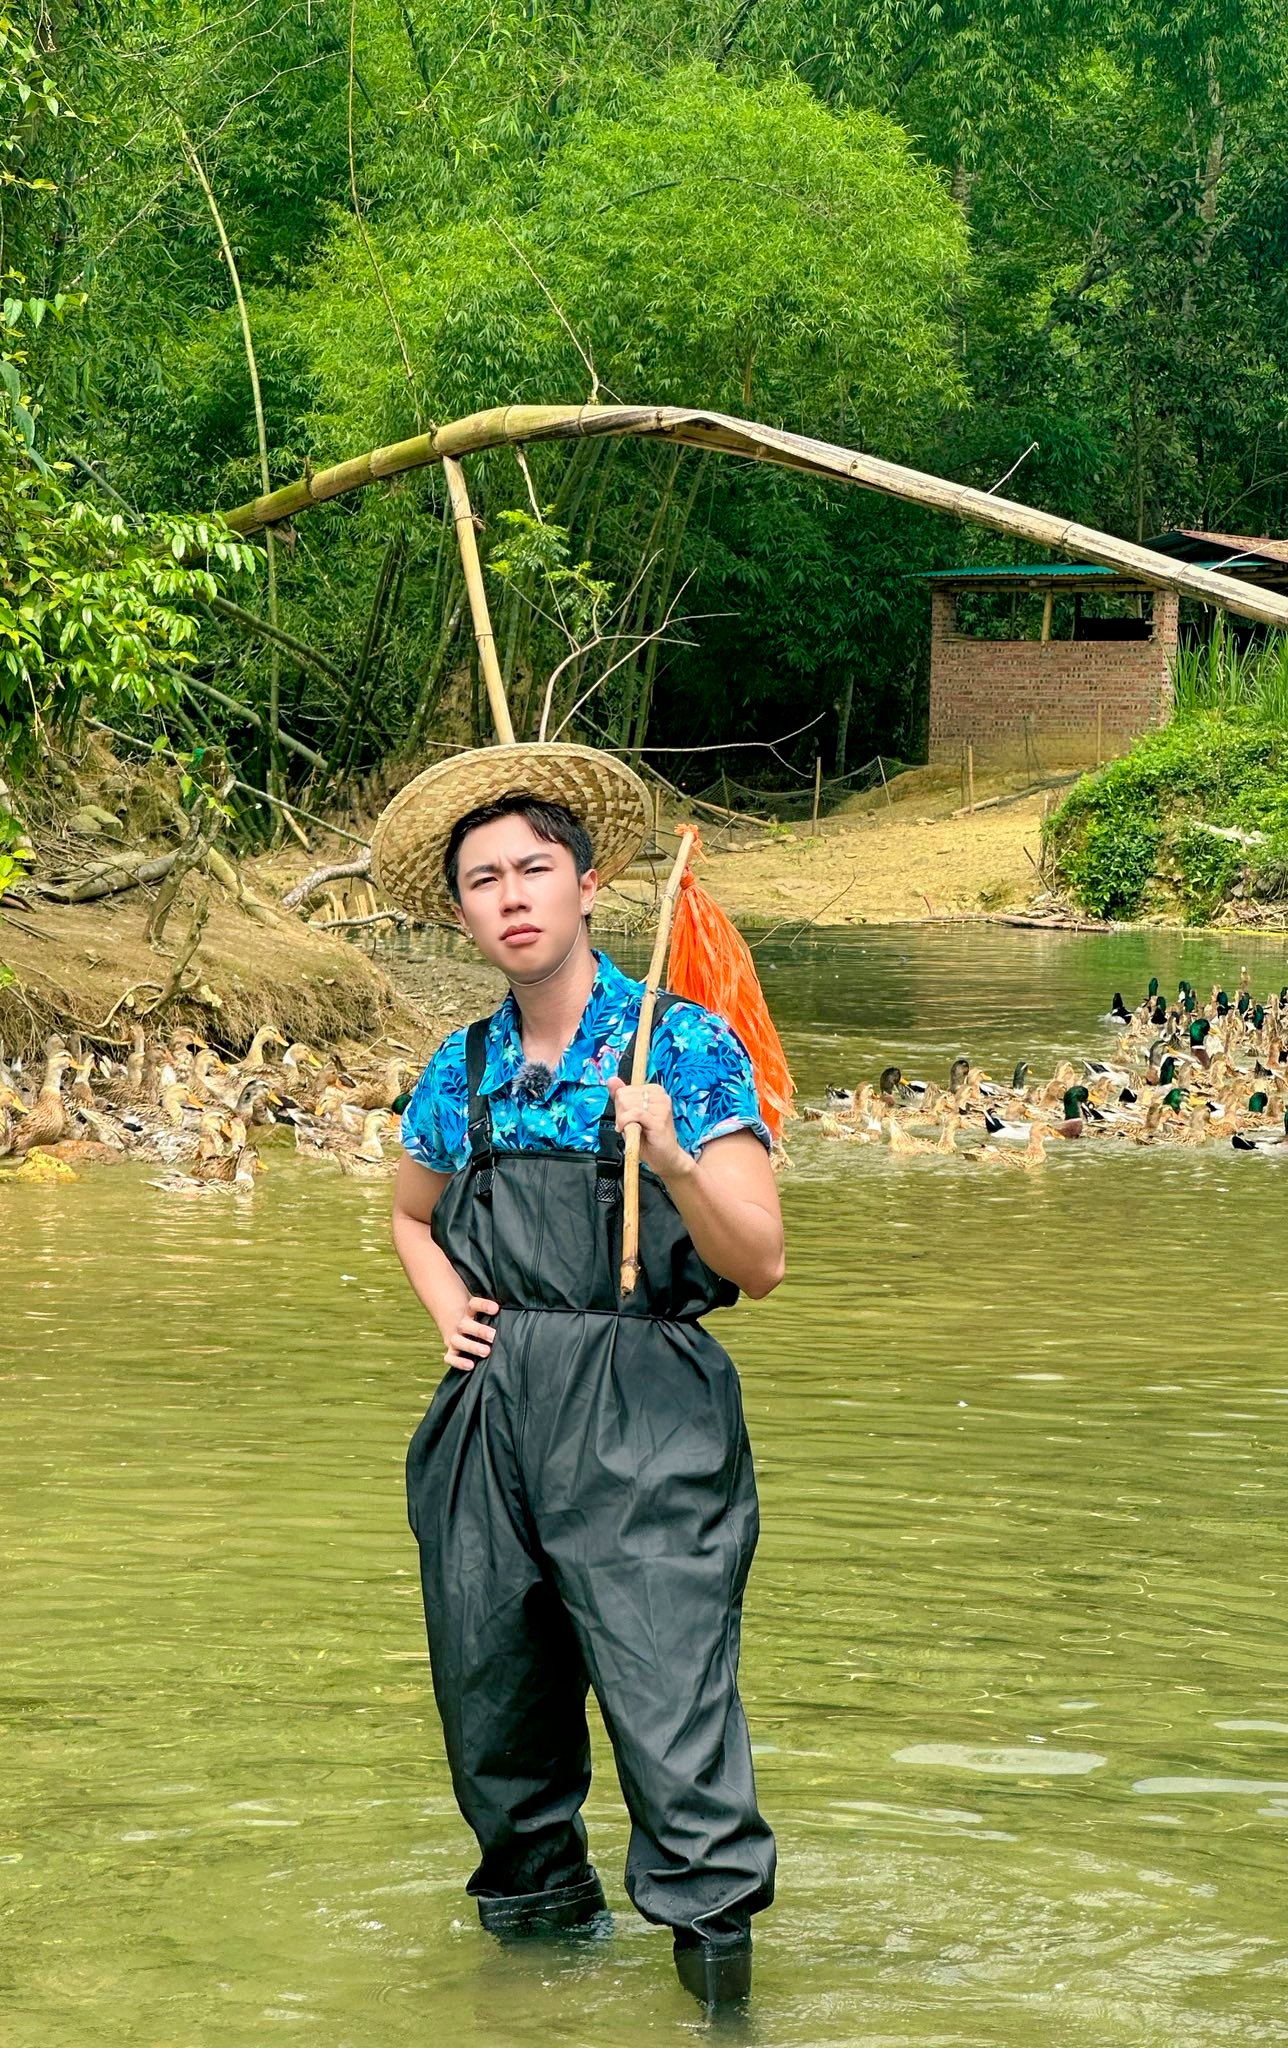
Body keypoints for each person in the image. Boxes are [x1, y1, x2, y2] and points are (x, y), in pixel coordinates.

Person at [374, 743, 782, 2013]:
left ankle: (721, 2010)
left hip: (641, 1403)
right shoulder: (462, 1067)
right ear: (461, 911)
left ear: (590, 884)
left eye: (534, 869)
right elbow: (408, 1216)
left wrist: (666, 1153)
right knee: (499, 1731)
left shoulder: (685, 1044)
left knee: (673, 1721)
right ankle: (540, 2005)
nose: (511, 895)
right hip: (491, 1416)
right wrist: (452, 1311)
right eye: (483, 878)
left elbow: (758, 1259)